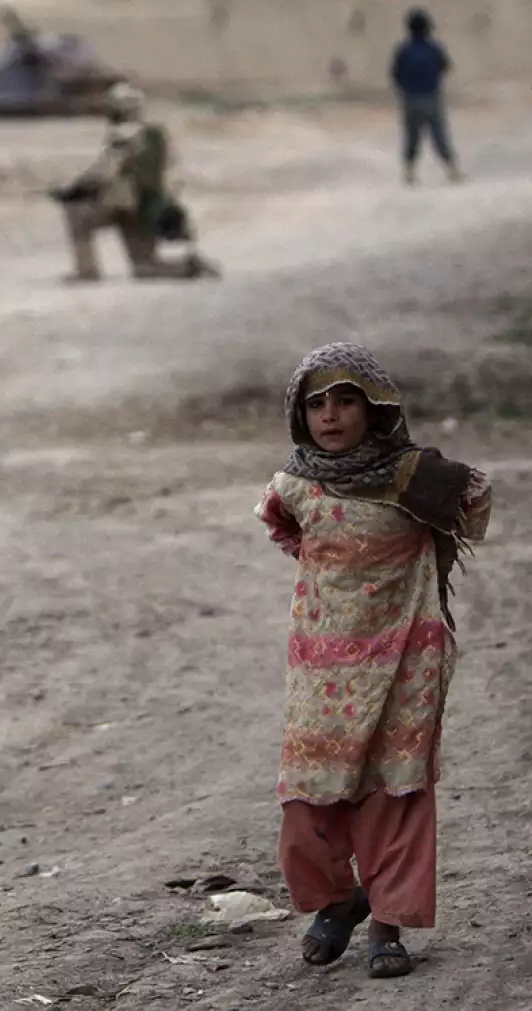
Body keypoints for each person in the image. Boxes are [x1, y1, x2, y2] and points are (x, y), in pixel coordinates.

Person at [255, 343, 491, 979]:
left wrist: (429, 505)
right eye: (316, 403)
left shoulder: (414, 478)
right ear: (299, 415)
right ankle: (337, 903)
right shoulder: (295, 484)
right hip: (321, 668)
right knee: (308, 798)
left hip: (406, 657)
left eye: (346, 400)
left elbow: (474, 507)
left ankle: (386, 926)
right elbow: (284, 530)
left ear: (376, 408)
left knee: (396, 787)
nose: (330, 415)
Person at [48, 82, 219, 283]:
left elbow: (105, 171)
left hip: (120, 203)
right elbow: (171, 173)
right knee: (146, 268)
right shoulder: (157, 135)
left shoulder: (123, 134)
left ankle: (87, 270)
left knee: (77, 217)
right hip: (147, 207)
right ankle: (188, 266)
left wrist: (75, 190)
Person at [391, 8, 462, 186]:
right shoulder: (433, 48)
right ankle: (452, 170)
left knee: (412, 137)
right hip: (431, 97)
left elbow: (395, 74)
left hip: (411, 99)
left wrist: (406, 89)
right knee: (439, 136)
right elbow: (445, 66)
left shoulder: (403, 50)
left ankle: (409, 173)